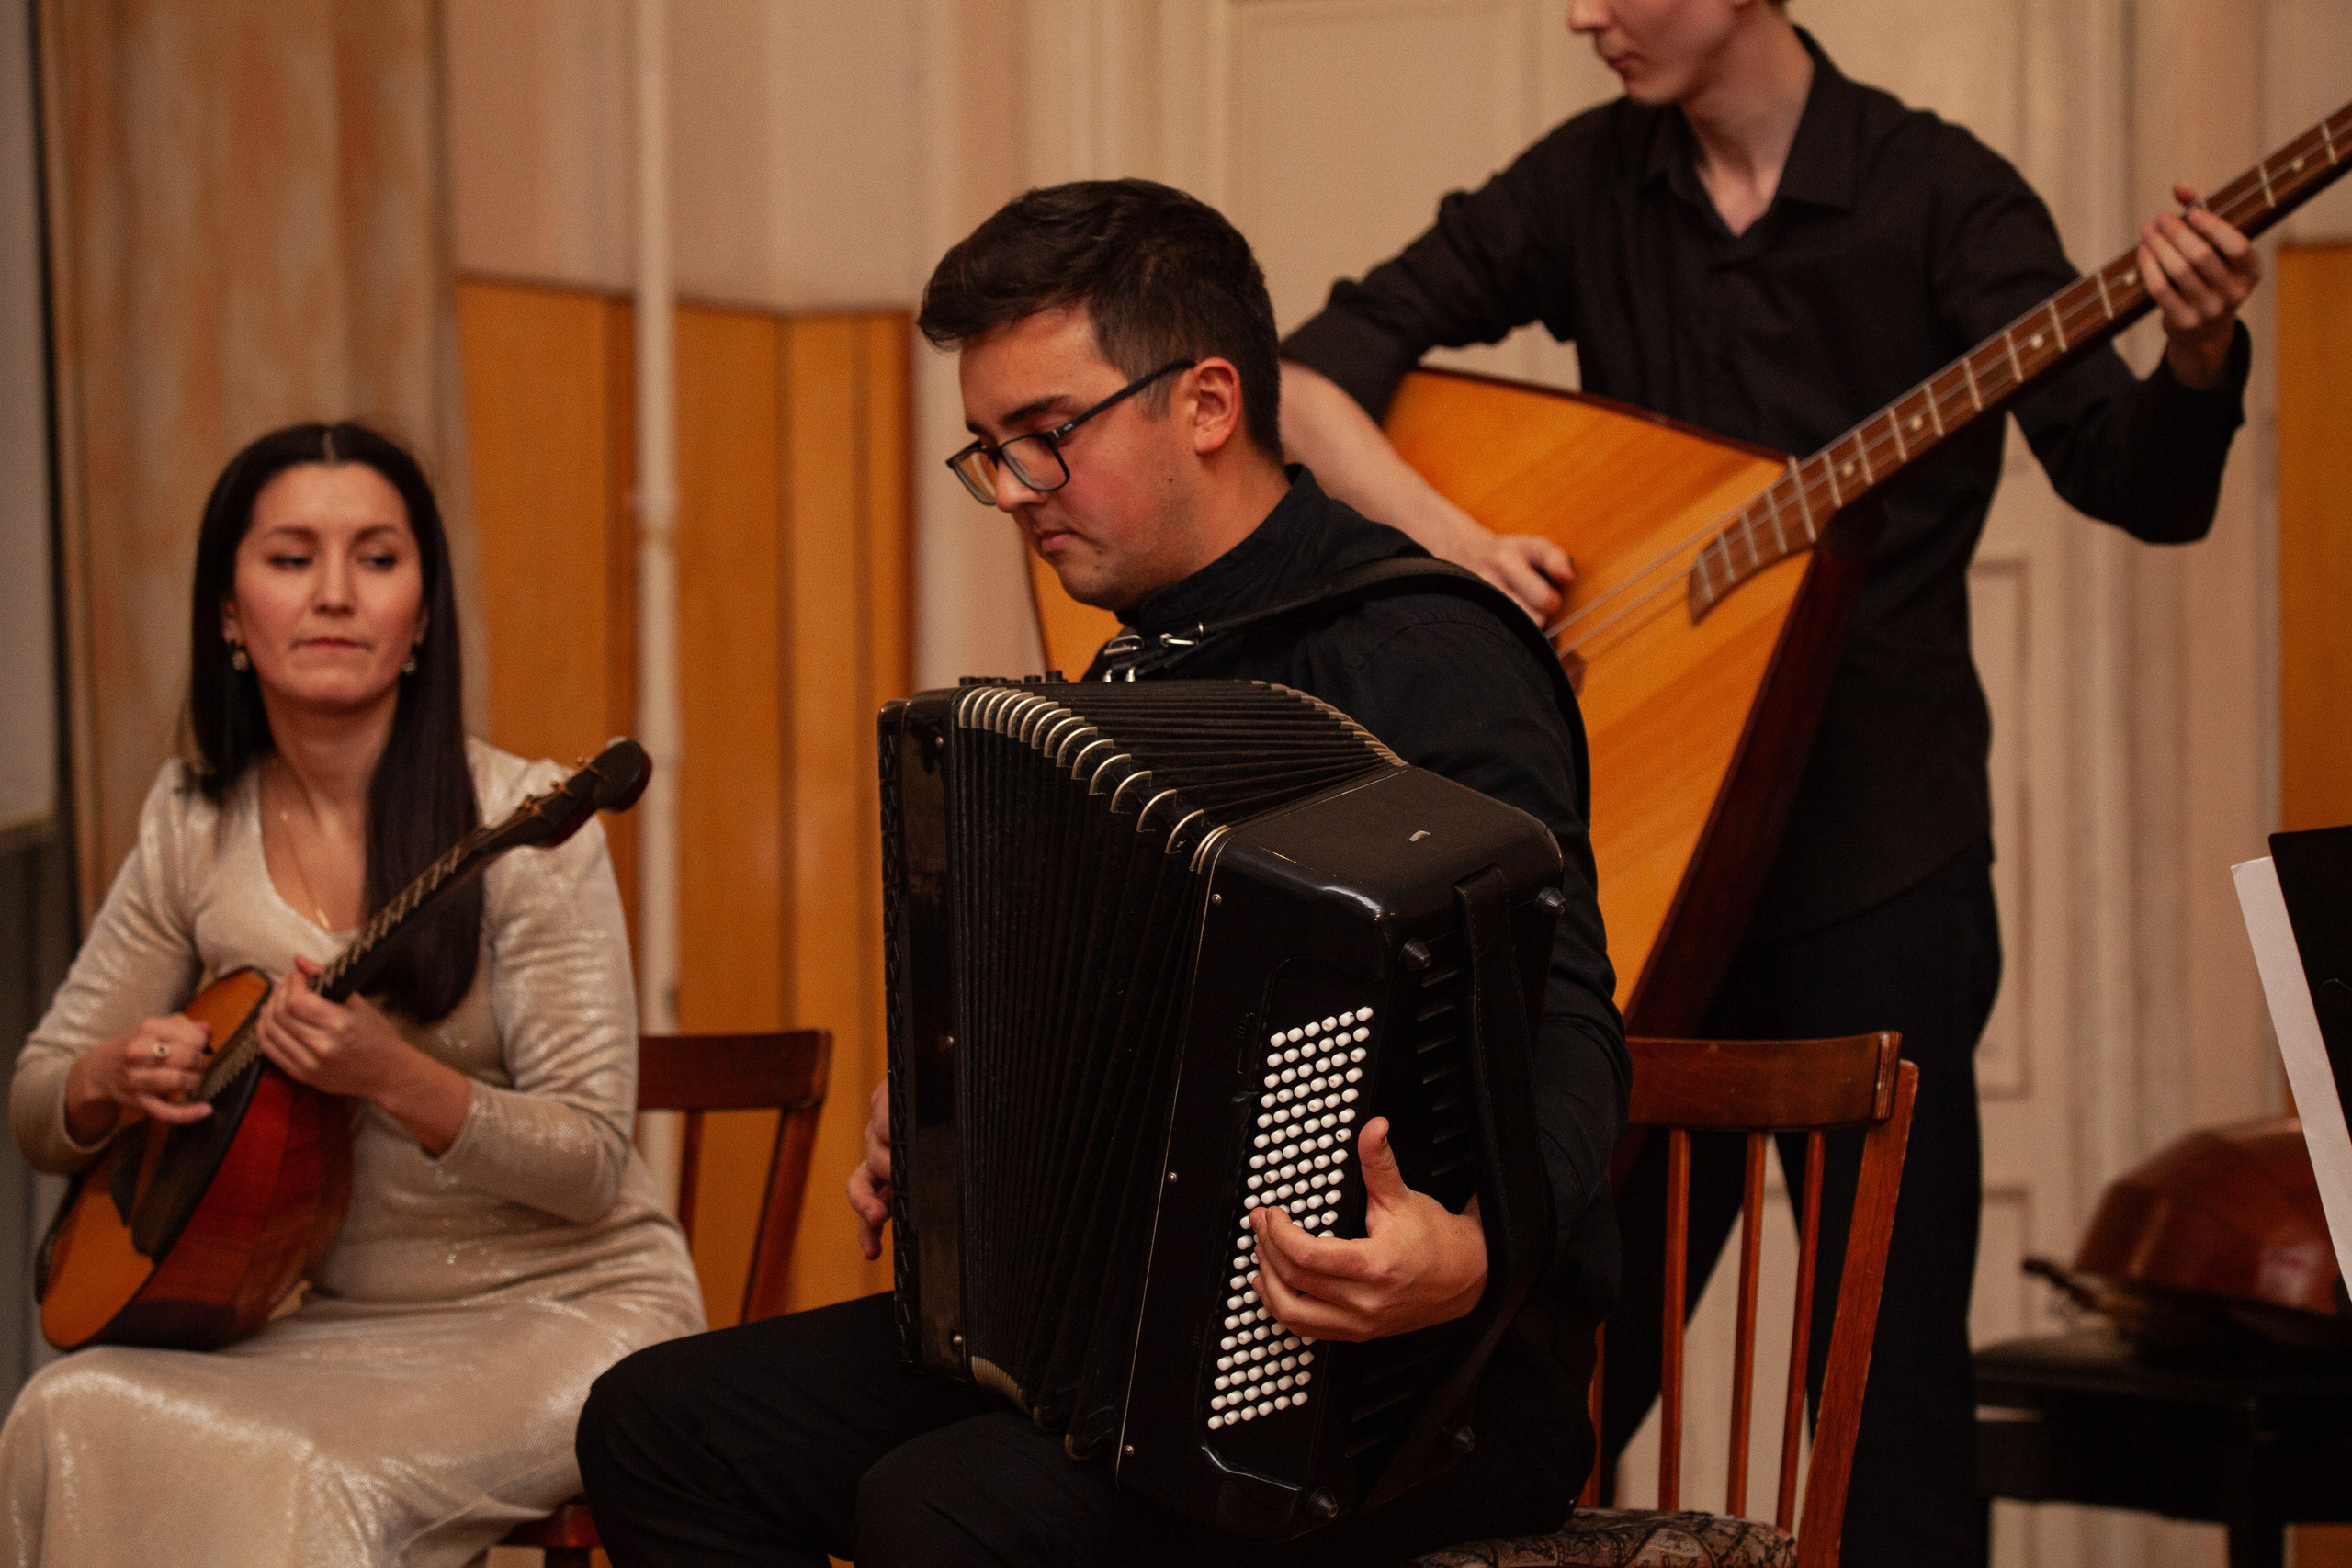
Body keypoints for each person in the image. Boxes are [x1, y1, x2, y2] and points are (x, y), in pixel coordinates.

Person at [1274, 2, 2260, 1564]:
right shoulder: (1592, 181)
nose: (1583, 13)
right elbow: (1313, 374)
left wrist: (2199, 350)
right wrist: (1454, 544)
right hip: (1656, 874)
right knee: (1572, 1351)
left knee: (1880, 1386)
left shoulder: (1945, 195)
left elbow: (2133, 478)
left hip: (1885, 868)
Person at [576, 178, 1628, 1568]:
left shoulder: (1422, 650)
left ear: (1204, 399)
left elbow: (1569, 1014)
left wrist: (1479, 1249)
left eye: (1046, 436)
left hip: (1416, 1369)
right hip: (1126, 1330)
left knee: (936, 1508)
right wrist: (963, 1119)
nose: (1013, 492)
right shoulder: (1133, 671)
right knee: (659, 1423)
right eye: (988, 449)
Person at [1, 423, 705, 1568]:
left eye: (376, 559)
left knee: (304, 1474)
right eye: (290, 558)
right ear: (229, 612)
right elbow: (39, 1106)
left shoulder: (523, 821)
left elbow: (587, 1162)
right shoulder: (191, 827)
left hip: (568, 1310)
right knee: (63, 1413)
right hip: (333, 1324)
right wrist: (105, 1078)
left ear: (423, 614)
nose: (334, 593)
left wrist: (391, 1075)